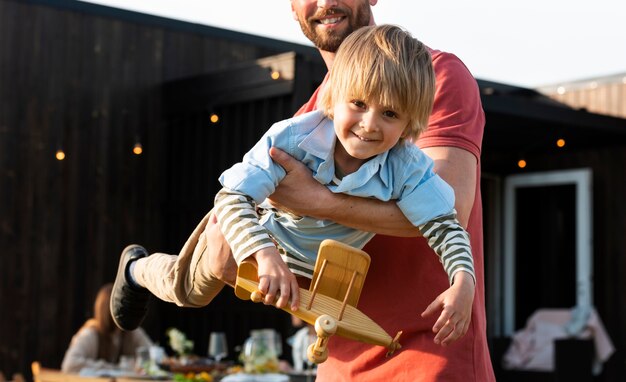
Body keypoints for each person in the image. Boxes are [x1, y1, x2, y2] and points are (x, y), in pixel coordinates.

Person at [113, 0, 495, 380]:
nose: (326, 1)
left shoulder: (426, 76)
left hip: (427, 357)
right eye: (359, 104)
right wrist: (247, 258)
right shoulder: (301, 128)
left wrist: (317, 201)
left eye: (390, 113)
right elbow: (248, 214)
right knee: (194, 272)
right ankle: (137, 270)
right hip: (338, 355)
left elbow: (451, 213)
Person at [61, 283, 152, 373]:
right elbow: (69, 365)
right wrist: (113, 368)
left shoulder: (131, 332)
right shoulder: (91, 334)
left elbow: (154, 355)